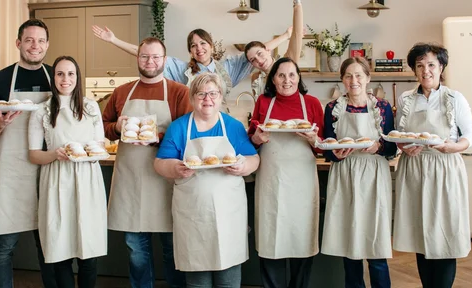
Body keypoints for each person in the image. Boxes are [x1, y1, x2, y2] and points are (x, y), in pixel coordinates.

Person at [154, 72, 260, 287]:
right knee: (197, 280)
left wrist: (243, 166)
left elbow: (254, 158)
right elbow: (159, 163)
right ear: (192, 98)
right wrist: (176, 168)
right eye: (201, 94)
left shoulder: (233, 126)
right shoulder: (179, 127)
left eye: (213, 93)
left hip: (228, 215)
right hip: (193, 216)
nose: (207, 99)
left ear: (220, 97)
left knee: (228, 279)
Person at [102, 37, 192, 288]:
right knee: (136, 250)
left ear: (164, 60)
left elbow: (187, 135)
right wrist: (117, 127)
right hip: (130, 181)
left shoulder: (179, 92)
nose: (149, 61)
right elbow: (103, 127)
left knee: (171, 249)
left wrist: (158, 138)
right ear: (137, 58)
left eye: (155, 57)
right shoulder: (121, 92)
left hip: (166, 182)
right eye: (144, 56)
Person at [0, 19, 56, 288]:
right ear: (18, 43)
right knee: (3, 245)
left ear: (47, 44)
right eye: (29, 40)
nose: (35, 46)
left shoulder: (57, 77)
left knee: (49, 245)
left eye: (40, 41)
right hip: (13, 171)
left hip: (48, 167)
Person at [393, 43, 472, 288]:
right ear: (414, 70)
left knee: (444, 233)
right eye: (419, 66)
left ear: (441, 67)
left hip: (444, 169)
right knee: (421, 234)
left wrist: (454, 147)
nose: (425, 70)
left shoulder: (454, 98)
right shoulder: (406, 98)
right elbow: (400, 135)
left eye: (431, 64)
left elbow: (470, 136)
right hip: (415, 169)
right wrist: (403, 146)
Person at [28, 56, 107, 288]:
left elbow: (100, 146)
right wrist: (55, 154)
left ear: (77, 77)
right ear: (54, 78)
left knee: (88, 252)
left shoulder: (91, 107)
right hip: (56, 182)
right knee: (60, 250)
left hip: (88, 182)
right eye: (60, 74)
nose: (66, 79)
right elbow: (34, 154)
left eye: (71, 73)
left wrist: (92, 152)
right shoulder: (42, 110)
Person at [248, 57, 324, 288]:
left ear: (299, 78)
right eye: (281, 75)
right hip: (271, 181)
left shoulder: (311, 103)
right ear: (273, 79)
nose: (287, 80)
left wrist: (313, 139)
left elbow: (322, 145)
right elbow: (252, 140)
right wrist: (257, 138)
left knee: (302, 238)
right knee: (271, 237)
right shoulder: (263, 101)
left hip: (302, 183)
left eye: (292, 75)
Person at [321, 57, 396, 288]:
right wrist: (337, 154)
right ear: (342, 79)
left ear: (368, 78)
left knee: (376, 245)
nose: (354, 81)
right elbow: (327, 146)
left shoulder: (382, 108)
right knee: (349, 244)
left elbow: (392, 146)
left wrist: (378, 147)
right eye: (348, 76)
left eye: (359, 75)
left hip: (374, 174)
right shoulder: (333, 108)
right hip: (345, 175)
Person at [91, 25, 293, 106]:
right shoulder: (181, 69)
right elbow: (148, 55)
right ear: (190, 51)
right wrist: (114, 40)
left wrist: (285, 36)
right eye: (193, 45)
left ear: (211, 46)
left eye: (203, 43)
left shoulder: (230, 67)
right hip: (191, 122)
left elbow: (260, 50)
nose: (199, 48)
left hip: (220, 122)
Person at [245, 0, 304, 97]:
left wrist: (297, 4)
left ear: (268, 50)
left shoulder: (286, 64)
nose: (259, 61)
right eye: (253, 60)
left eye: (260, 53)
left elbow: (296, 34)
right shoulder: (256, 78)